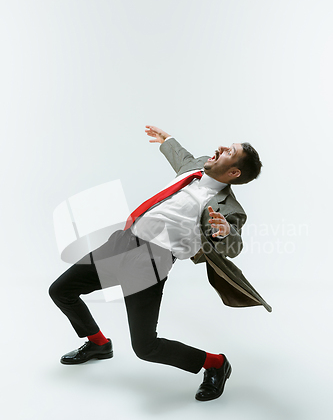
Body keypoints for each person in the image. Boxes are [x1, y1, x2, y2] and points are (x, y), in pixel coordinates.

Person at [49, 125, 271, 402]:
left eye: (230, 151)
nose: (221, 148)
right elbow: (181, 156)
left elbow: (234, 247)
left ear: (234, 172)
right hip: (122, 242)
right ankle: (98, 344)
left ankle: (215, 363)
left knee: (146, 347)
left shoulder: (228, 208)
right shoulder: (198, 165)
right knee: (61, 291)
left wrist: (225, 231)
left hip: (150, 264)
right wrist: (167, 140)